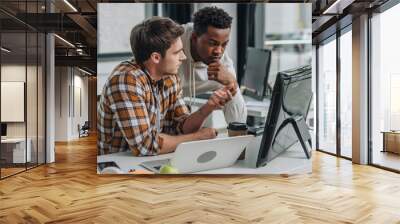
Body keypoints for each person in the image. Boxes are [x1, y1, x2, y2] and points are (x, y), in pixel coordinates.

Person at [97, 17, 233, 156]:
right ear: (156, 57)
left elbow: (181, 127)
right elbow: (146, 146)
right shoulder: (126, 81)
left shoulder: (170, 77)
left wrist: (208, 107)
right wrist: (197, 137)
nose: (183, 57)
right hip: (113, 164)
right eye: (177, 52)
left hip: (148, 160)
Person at [179, 6, 247, 124]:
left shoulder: (223, 62)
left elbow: (238, 123)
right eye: (212, 43)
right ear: (194, 38)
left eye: (224, 44)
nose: (219, 51)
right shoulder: (173, 45)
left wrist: (232, 83)